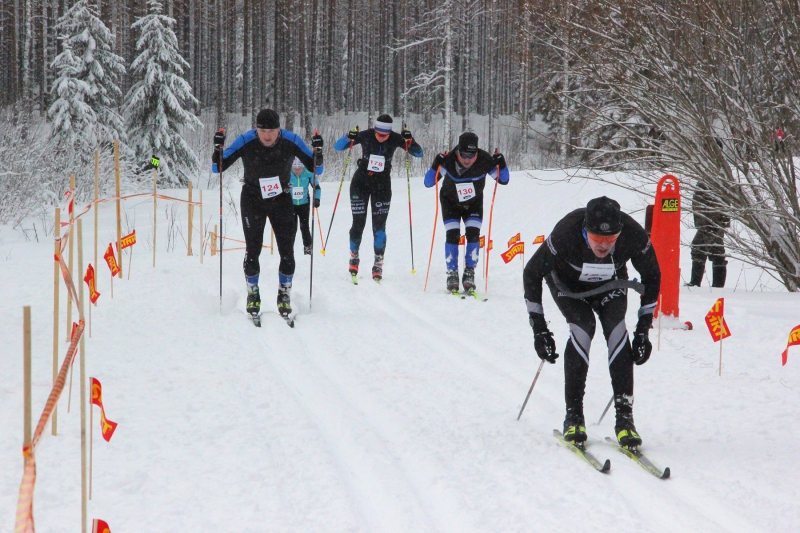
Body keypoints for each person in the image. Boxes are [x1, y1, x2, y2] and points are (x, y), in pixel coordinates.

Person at [523, 197, 661, 448]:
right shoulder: (566, 233)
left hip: (610, 285)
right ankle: (574, 415)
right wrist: (539, 329)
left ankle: (625, 419)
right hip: (568, 286)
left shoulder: (633, 235)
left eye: (611, 240)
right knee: (584, 328)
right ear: (586, 230)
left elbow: (652, 276)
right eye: (598, 239)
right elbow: (531, 273)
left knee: (617, 328)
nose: (604, 246)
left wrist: (643, 330)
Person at [212, 109, 323, 321]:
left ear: (279, 129)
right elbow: (218, 167)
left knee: (287, 250)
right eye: (263, 131)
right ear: (257, 129)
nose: (267, 136)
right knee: (252, 249)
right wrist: (217, 149)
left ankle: (284, 293)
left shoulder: (291, 140)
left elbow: (317, 168)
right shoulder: (246, 140)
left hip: (280, 198)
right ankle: (252, 293)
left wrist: (319, 152)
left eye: (272, 131)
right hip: (253, 199)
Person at [333, 114, 423, 281]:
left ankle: (378, 263)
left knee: (379, 227)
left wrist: (411, 140)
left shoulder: (396, 138)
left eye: (385, 135)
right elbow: (338, 147)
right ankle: (354, 257)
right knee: (358, 223)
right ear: (374, 130)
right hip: (360, 184)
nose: (381, 138)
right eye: (379, 134)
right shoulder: (366, 135)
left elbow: (419, 153)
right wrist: (348, 137)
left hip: (382, 187)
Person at [424, 132, 509, 292]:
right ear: (458, 152)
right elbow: (428, 183)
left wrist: (502, 164)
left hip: (473, 203)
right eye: (463, 155)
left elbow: (503, 180)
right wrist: (436, 165)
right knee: (453, 235)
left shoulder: (484, 160)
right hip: (450, 202)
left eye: (471, 155)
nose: (467, 159)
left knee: (473, 234)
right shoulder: (448, 160)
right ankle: (452, 273)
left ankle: (469, 272)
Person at [687, 182, 729, 288]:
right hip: (712, 221)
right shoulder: (712, 175)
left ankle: (695, 283)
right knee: (716, 250)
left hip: (710, 222)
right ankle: (718, 286)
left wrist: (709, 222)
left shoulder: (711, 177)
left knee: (698, 248)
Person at [290, 157, 321, 255]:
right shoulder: (287, 173)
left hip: (304, 204)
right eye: (295, 169)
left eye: (299, 169)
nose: (298, 171)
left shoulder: (308, 173)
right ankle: (289, 248)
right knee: (291, 228)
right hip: (291, 205)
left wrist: (317, 199)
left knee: (304, 227)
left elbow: (317, 187)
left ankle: (308, 247)